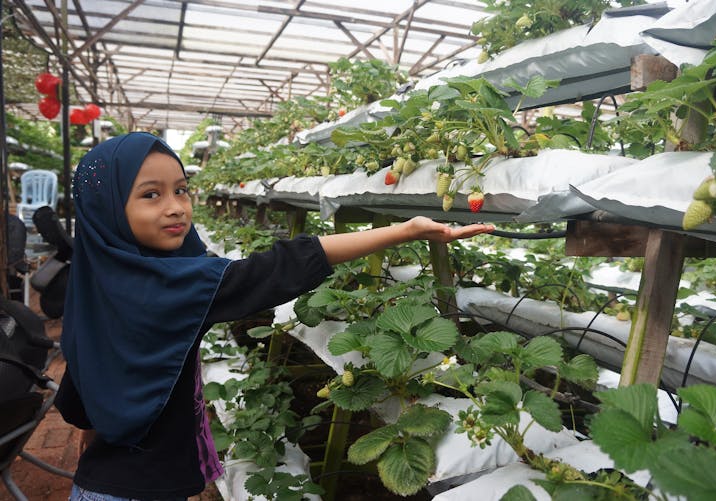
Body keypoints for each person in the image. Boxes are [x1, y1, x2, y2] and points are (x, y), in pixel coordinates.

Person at [54, 131, 494, 501]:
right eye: (151, 195)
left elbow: (81, 398)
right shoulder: (174, 288)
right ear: (107, 207)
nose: (175, 207)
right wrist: (405, 230)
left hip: (102, 477)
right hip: (138, 489)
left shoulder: (95, 281)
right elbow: (276, 269)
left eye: (181, 189)